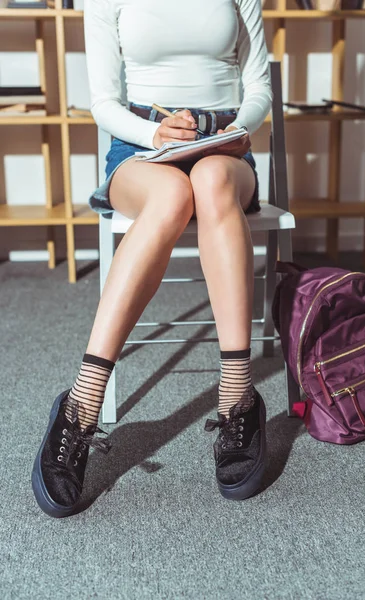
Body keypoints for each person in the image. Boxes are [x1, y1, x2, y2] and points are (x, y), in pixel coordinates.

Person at [31, 0, 273, 518]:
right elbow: (103, 102)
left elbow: (259, 88)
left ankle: (238, 398)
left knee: (208, 182)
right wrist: (157, 136)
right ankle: (81, 404)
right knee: (169, 197)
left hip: (225, 146)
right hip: (140, 144)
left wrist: (230, 131)